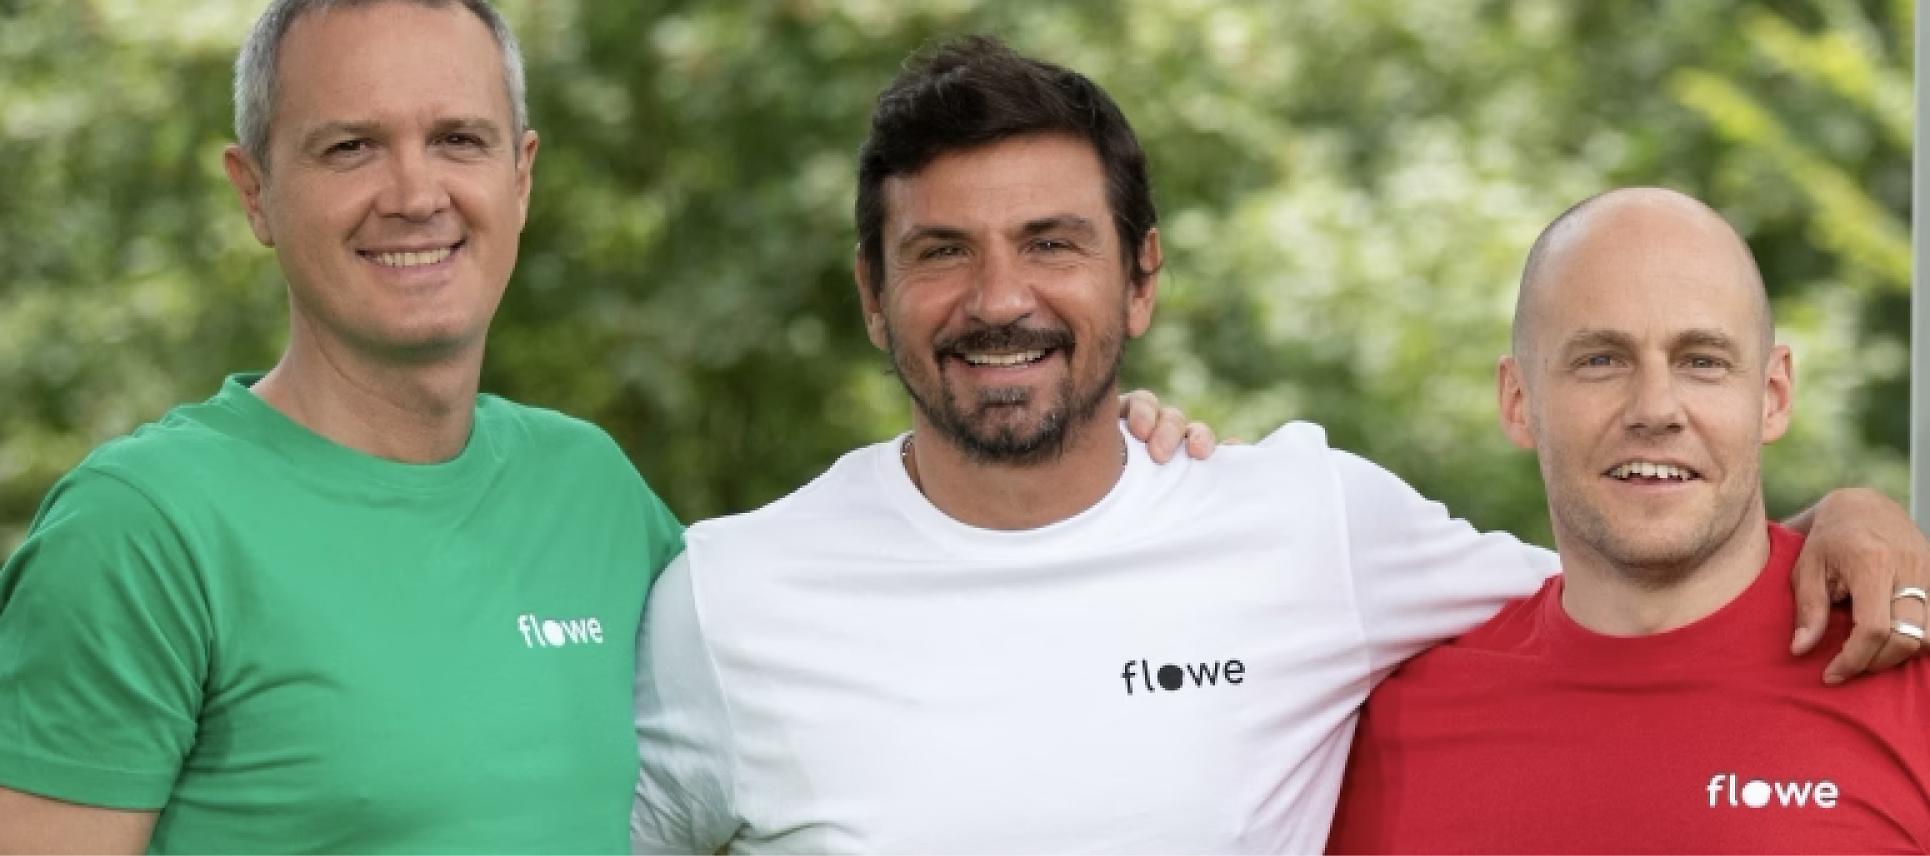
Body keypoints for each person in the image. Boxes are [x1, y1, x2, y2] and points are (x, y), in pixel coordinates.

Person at [0, 4, 1210, 853]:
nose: (413, 192)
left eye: (457, 139)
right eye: (348, 146)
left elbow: (847, 666)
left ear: (522, 173)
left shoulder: (591, 489)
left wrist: (1106, 457)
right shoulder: (143, 529)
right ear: (254, 192)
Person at [629, 37, 1930, 854]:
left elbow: (1637, 556)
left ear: (1140, 283)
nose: (1001, 299)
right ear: (870, 290)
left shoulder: (1310, 528)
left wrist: (1849, 519)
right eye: (941, 253)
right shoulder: (732, 598)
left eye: (1052, 244)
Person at [1326, 188, 1929, 853]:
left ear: (1773, 395)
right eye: (1601, 361)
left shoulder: (1906, 671)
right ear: (1519, 400)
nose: (1655, 407)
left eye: (1702, 361)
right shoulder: (1389, 728)